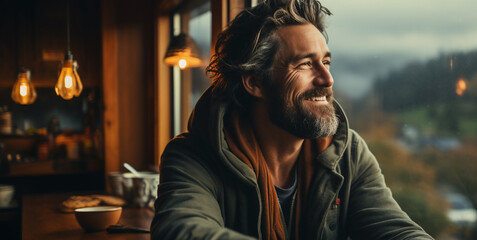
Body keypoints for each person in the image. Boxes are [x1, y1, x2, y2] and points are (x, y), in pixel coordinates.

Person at [151, 0, 434, 239]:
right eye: (305, 64)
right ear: (255, 82)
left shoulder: (349, 153)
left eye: (326, 62)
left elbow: (397, 231)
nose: (327, 79)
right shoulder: (191, 155)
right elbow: (182, 229)